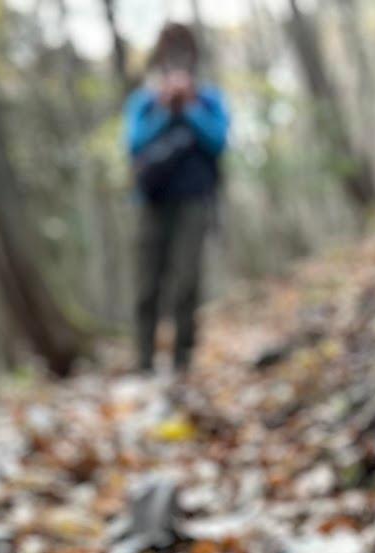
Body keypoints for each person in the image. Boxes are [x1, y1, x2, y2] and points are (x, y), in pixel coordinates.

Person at [124, 23, 229, 375]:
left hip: (195, 201)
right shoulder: (145, 101)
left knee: (187, 282)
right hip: (151, 202)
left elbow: (218, 141)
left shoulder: (209, 98)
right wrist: (165, 108)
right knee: (146, 285)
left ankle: (183, 362)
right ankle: (143, 363)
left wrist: (191, 108)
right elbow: (134, 144)